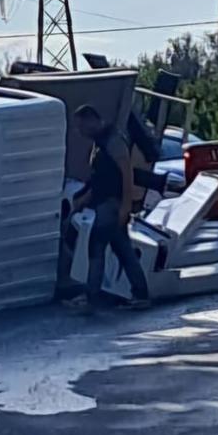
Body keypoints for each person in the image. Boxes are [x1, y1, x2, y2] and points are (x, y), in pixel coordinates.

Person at [67, 105, 150, 311]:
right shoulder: (101, 142)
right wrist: (85, 198)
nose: (80, 132)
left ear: (91, 121)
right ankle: (140, 294)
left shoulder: (113, 140)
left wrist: (126, 206)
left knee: (96, 248)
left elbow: (126, 173)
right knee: (123, 250)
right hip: (106, 202)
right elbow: (100, 177)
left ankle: (91, 297)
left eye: (81, 126)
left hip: (111, 204)